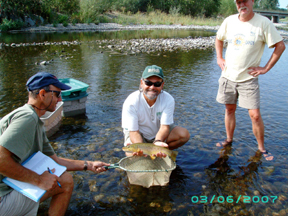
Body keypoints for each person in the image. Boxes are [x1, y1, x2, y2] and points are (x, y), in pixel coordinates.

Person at [0, 72, 110, 216]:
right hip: (3, 198)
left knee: (59, 176)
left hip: (8, 188)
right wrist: (38, 180)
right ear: (42, 94)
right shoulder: (28, 118)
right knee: (65, 181)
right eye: (57, 94)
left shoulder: (35, 121)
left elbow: (55, 162)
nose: (60, 99)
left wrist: (89, 165)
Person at [215, 0, 286, 160]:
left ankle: (261, 148)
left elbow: (280, 46)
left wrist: (265, 68)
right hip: (228, 76)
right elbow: (219, 39)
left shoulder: (263, 23)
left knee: (254, 115)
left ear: (252, 1)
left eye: (245, 1)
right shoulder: (229, 21)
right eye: (238, 2)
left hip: (248, 78)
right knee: (229, 110)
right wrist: (219, 57)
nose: (242, 4)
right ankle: (229, 139)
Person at [122, 65, 190, 157]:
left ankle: (163, 152)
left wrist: (158, 141)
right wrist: (141, 149)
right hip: (139, 135)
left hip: (158, 135)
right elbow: (134, 132)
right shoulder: (131, 102)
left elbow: (164, 127)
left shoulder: (168, 99)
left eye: (157, 84)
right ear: (141, 83)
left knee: (184, 135)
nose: (152, 87)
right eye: (148, 83)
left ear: (162, 85)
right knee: (131, 154)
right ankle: (149, 153)